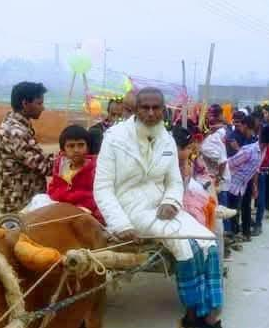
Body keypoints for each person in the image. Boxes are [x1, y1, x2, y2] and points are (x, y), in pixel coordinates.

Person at [94, 87, 224, 328]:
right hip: (131, 209)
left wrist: (171, 202)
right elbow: (102, 188)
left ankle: (210, 312)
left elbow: (174, 181)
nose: (151, 113)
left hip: (162, 207)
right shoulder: (114, 138)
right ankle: (193, 314)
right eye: (146, 107)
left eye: (156, 108)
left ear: (163, 111)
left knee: (207, 241)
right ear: (136, 110)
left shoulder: (165, 137)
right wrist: (120, 224)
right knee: (184, 246)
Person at [0, 82, 53, 214]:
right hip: (19, 202)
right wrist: (68, 160)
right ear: (25, 103)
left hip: (21, 197)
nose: (43, 108)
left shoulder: (17, 124)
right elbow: (44, 166)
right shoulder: (16, 132)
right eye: (39, 103)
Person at [45, 125, 105, 225]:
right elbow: (53, 188)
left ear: (88, 147)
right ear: (63, 150)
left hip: (85, 214)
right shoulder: (60, 168)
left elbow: (100, 196)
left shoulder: (96, 169)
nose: (76, 150)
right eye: (71, 146)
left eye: (81, 145)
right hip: (60, 209)